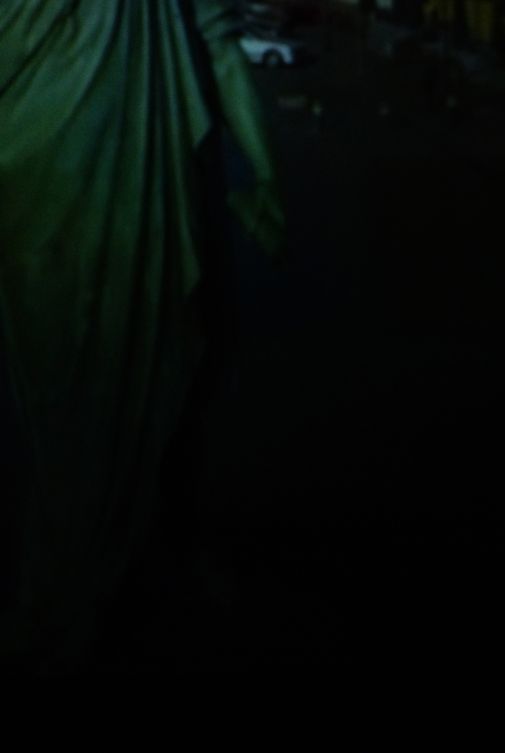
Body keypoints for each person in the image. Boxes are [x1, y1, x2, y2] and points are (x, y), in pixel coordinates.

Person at [0, 0, 283, 674]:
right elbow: (216, 41)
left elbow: (214, 37)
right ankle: (70, 587)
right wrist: (262, 167)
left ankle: (125, 571)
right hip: (37, 177)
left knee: (154, 379)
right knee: (72, 401)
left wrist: (265, 168)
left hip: (118, 170)